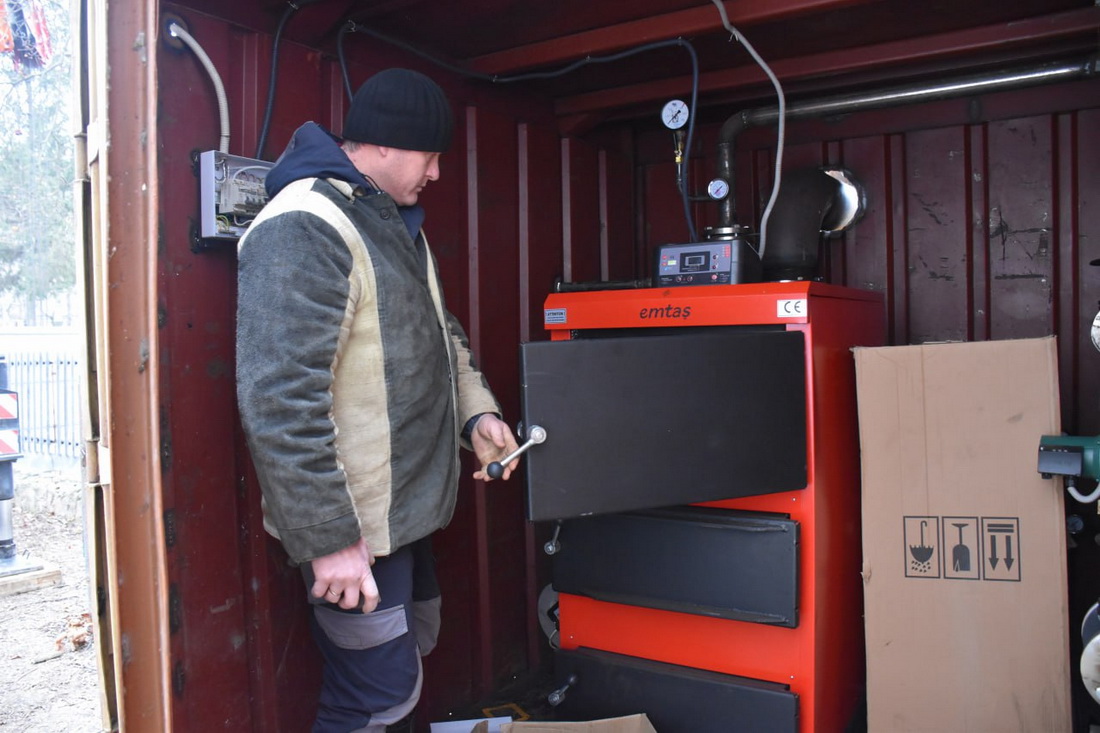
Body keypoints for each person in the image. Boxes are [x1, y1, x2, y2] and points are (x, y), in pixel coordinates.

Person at [236, 67, 521, 733]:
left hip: (404, 516)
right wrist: (330, 538)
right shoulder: (305, 224)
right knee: (371, 700)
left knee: (403, 670)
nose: (437, 174)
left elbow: (440, 333)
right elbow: (279, 400)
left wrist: (477, 414)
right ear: (385, 144)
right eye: (430, 156)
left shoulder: (390, 221)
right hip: (356, 528)